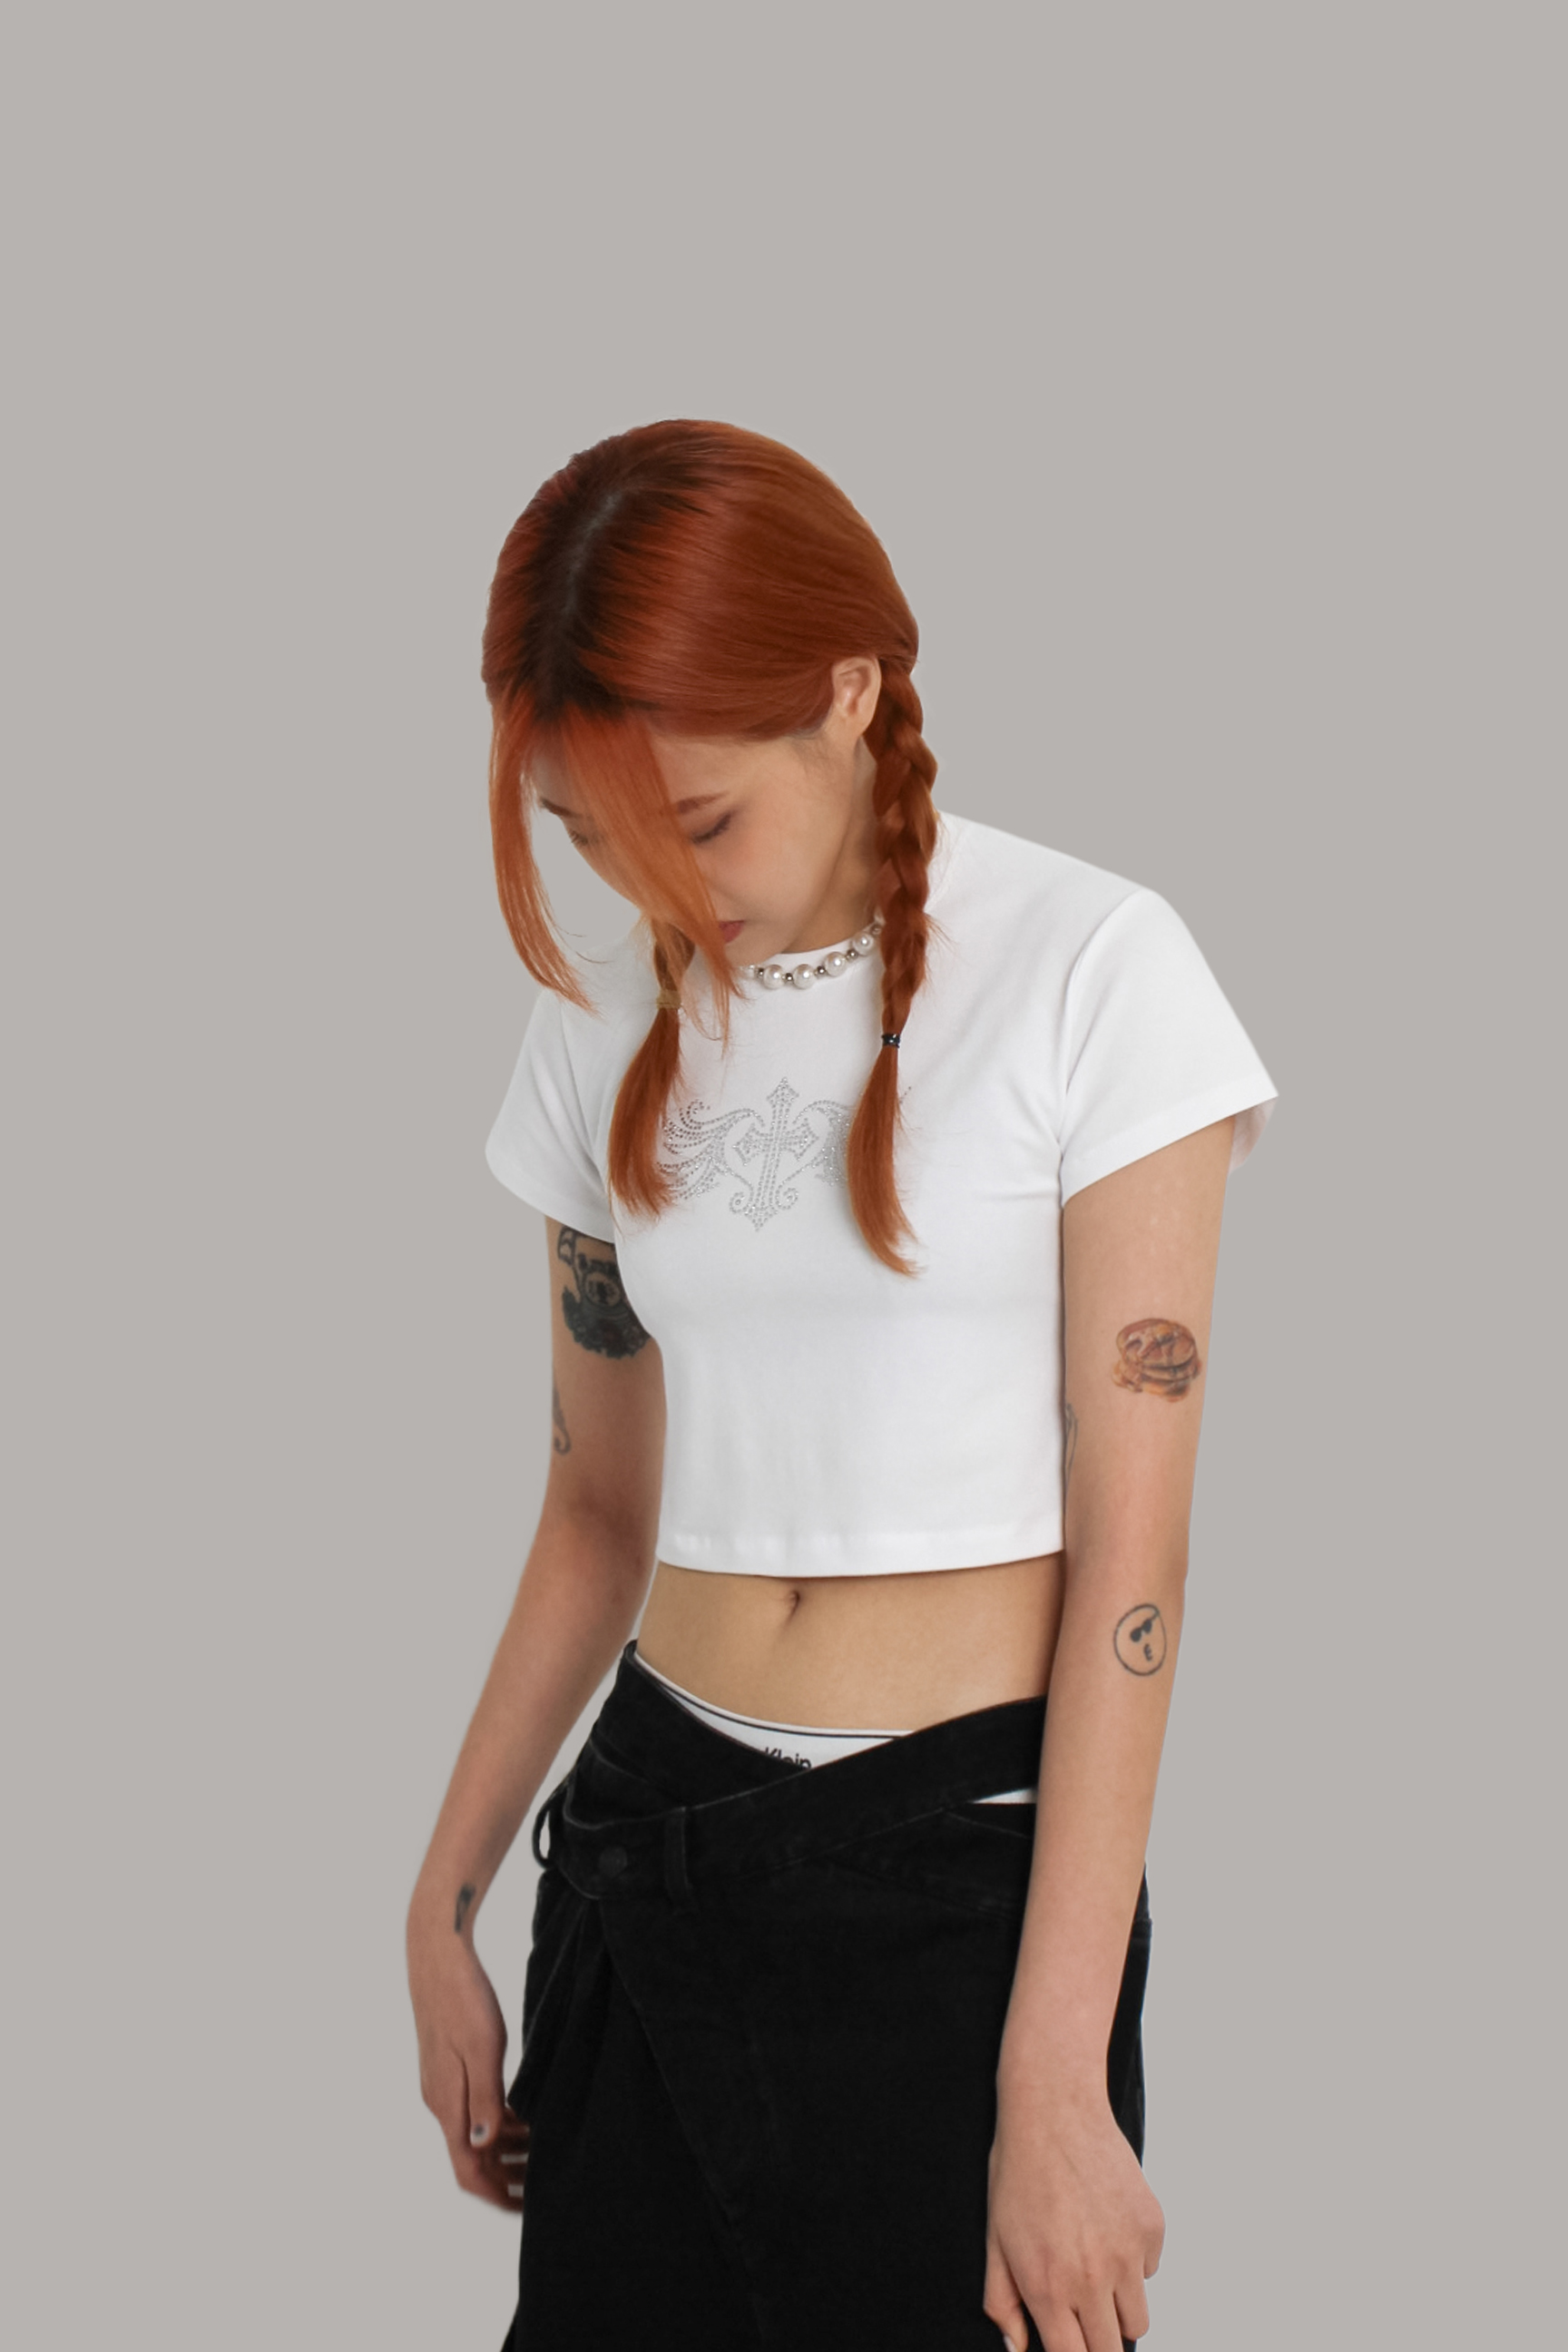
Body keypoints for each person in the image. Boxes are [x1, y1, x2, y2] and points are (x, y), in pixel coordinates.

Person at [406, 418, 1277, 2352]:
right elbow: (594, 1510)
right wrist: (442, 1897)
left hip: (952, 1877)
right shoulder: (598, 1016)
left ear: (850, 692)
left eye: (698, 823)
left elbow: (1133, 1561)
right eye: (591, 841)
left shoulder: (1093, 971)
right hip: (646, 1838)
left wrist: (1055, 2076)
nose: (656, 887)